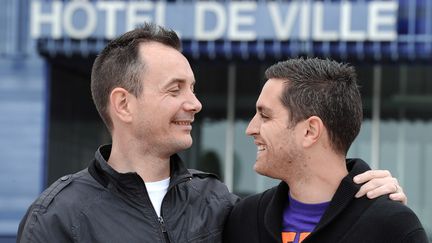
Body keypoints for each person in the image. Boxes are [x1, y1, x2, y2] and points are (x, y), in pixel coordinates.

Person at [17, 24, 408, 243]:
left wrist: (368, 198)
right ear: (123, 105)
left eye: (193, 88)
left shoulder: (223, 207)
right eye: (176, 90)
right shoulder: (57, 219)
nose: (195, 103)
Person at [223, 58, 428, 243]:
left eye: (265, 116)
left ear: (310, 131)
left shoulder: (392, 229)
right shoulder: (243, 219)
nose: (251, 129)